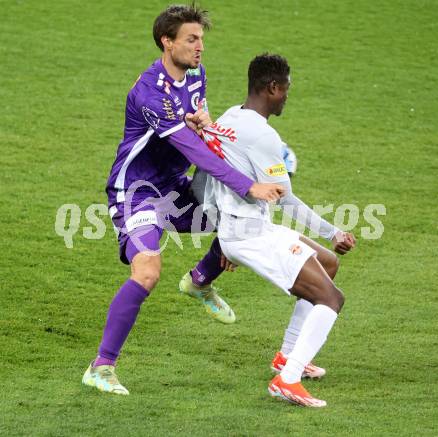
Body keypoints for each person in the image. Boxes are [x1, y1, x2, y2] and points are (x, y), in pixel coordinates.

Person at [82, 5, 284, 396]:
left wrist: (204, 122)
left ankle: (200, 281)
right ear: (167, 41)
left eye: (202, 39)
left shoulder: (196, 74)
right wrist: (247, 184)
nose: (200, 47)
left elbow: (199, 125)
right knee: (147, 272)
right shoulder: (149, 92)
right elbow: (194, 150)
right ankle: (101, 367)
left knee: (244, 217)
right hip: (138, 192)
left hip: (175, 185)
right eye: (192, 39)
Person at [199, 53, 355, 407]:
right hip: (250, 235)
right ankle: (287, 379)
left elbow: (209, 176)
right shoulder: (263, 136)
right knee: (332, 299)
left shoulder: (228, 117)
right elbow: (285, 199)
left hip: (243, 229)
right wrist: (332, 231)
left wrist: (220, 235)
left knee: (327, 264)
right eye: (286, 88)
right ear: (272, 87)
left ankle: (287, 356)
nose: (287, 95)